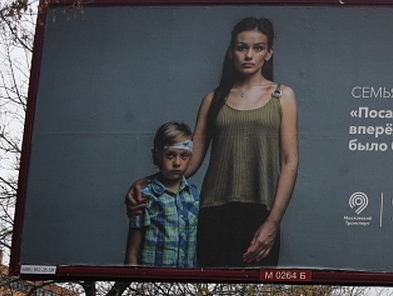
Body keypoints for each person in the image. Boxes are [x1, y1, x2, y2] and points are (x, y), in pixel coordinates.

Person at [128, 17, 298, 267]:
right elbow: (190, 160)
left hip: (261, 214)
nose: (249, 55)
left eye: (258, 48)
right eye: (242, 47)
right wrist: (143, 184)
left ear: (268, 53)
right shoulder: (213, 99)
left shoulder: (282, 95)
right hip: (213, 213)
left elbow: (290, 162)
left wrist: (273, 222)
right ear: (231, 52)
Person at [125, 122, 200, 267]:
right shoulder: (146, 195)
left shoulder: (194, 195)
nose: (177, 162)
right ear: (157, 156)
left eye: (184, 156)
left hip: (186, 279)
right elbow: (132, 252)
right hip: (152, 278)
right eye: (170, 155)